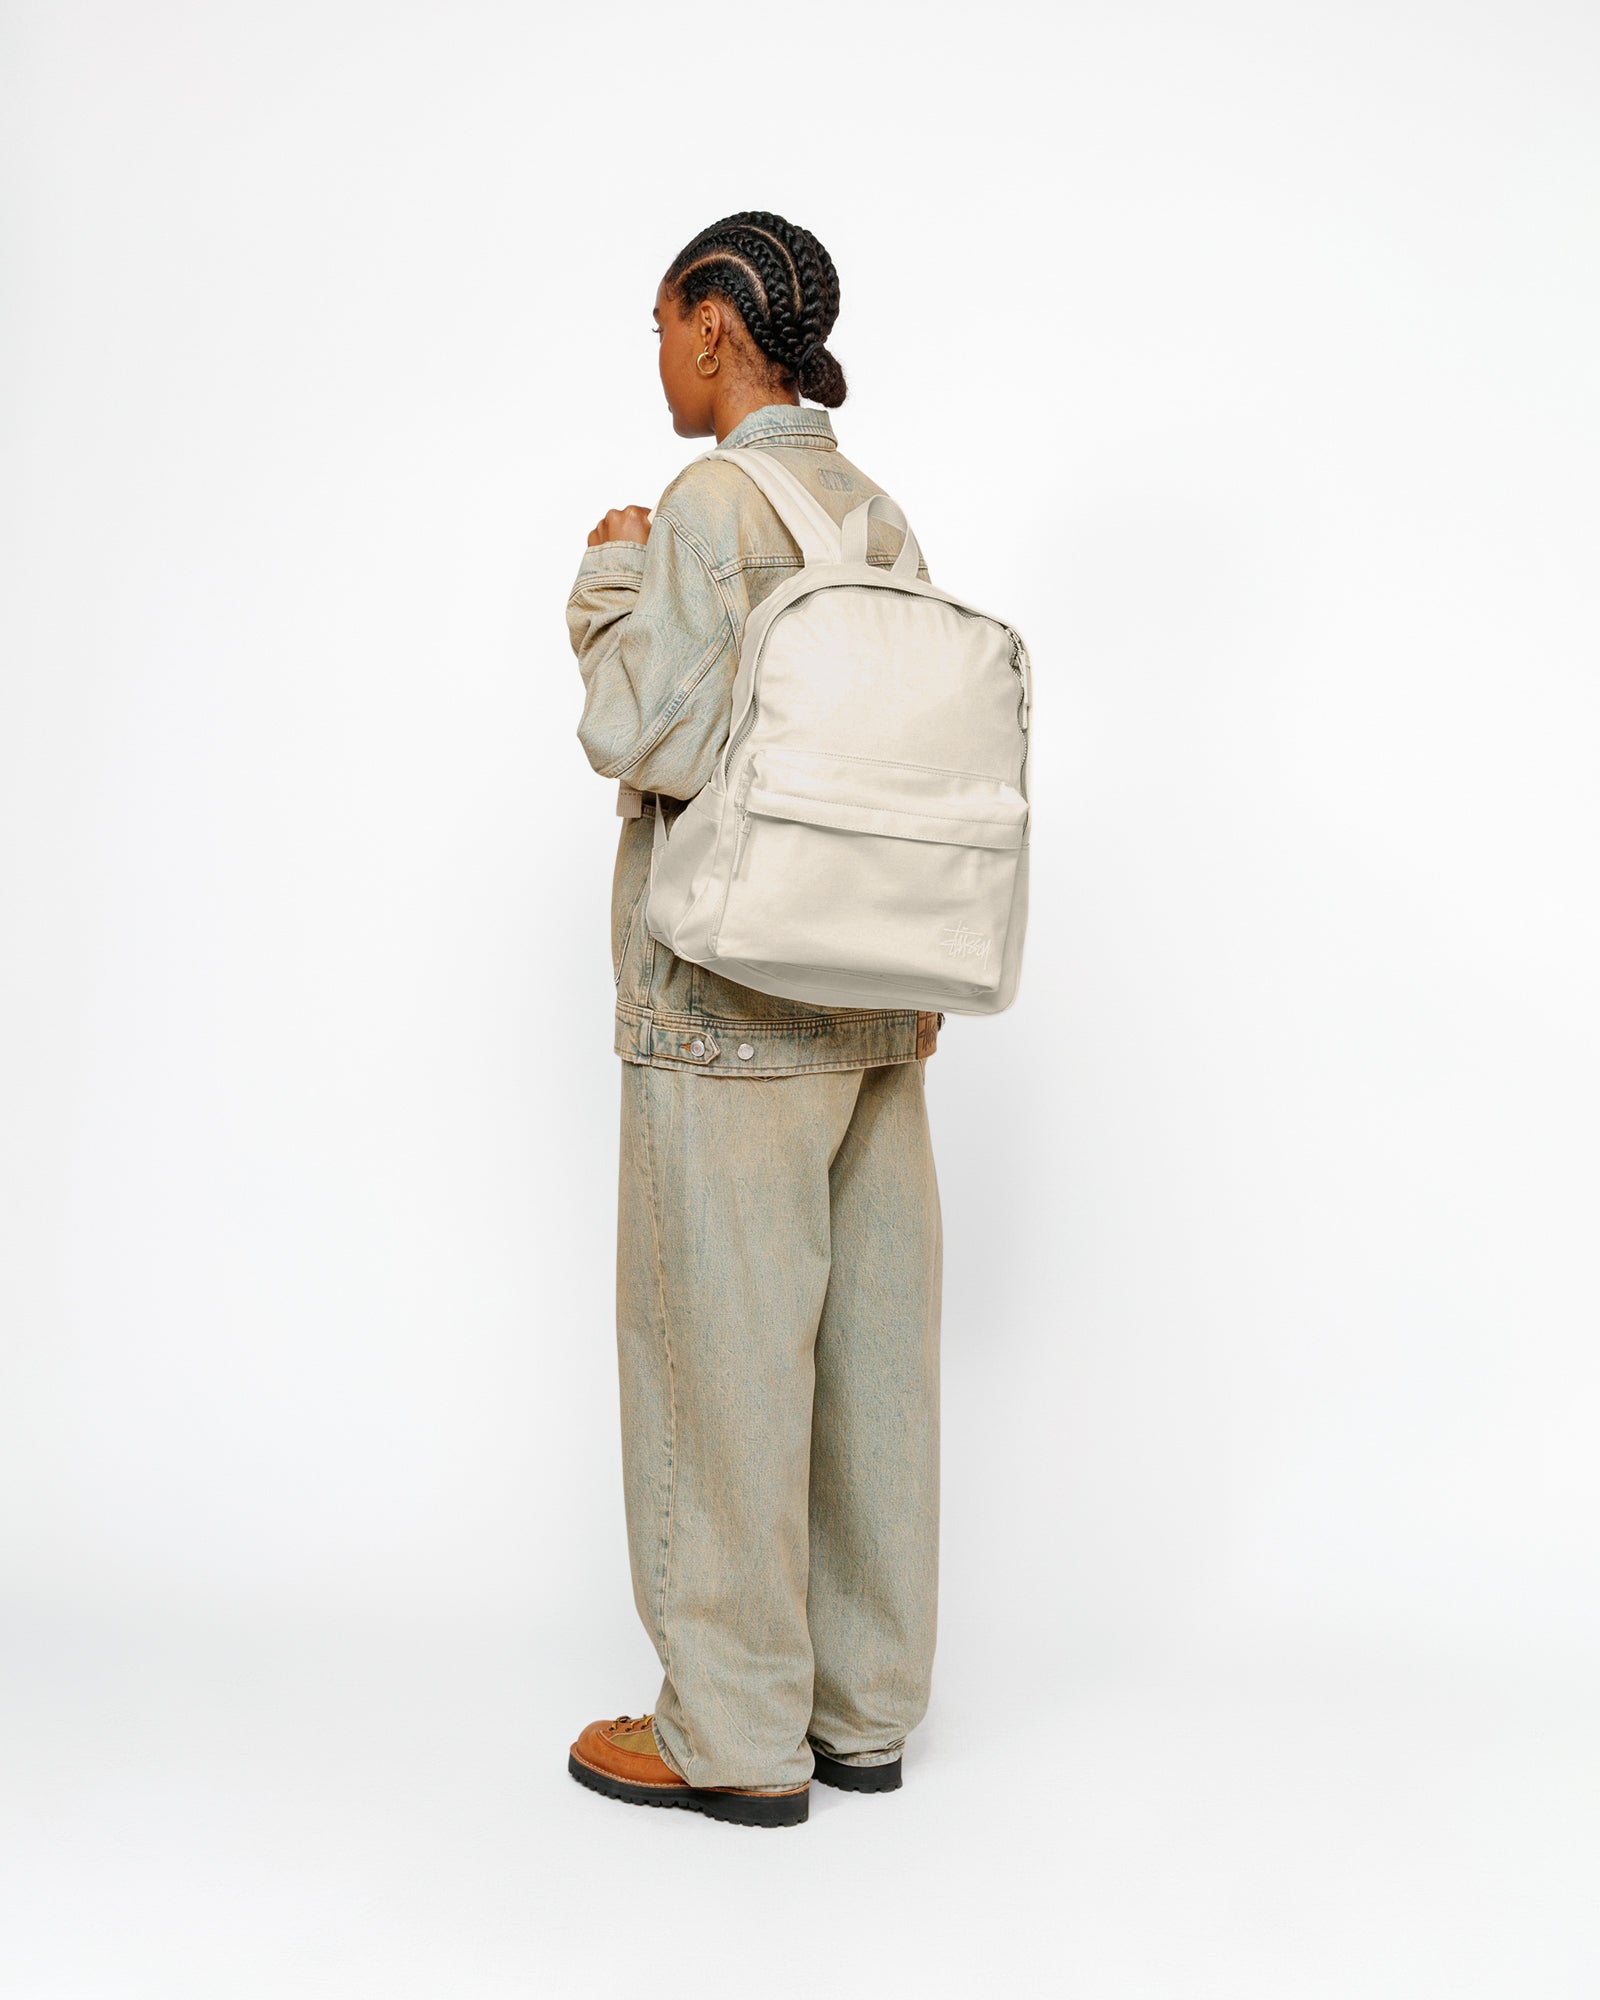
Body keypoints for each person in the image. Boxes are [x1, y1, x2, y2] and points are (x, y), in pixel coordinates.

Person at [565, 212, 943, 1829]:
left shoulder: (710, 508)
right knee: (870, 1375)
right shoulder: (875, 512)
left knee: (719, 1369)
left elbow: (636, 730)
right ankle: (862, 1714)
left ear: (717, 324)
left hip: (726, 1009)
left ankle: (729, 1732)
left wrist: (609, 576)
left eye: (663, 322)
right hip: (877, 1006)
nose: (658, 354)